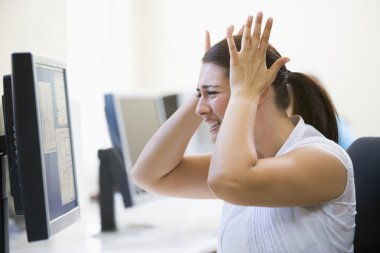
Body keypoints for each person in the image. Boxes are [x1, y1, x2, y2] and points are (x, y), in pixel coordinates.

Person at [130, 12, 355, 253]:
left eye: (213, 93)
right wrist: (204, 87)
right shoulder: (246, 162)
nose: (199, 109)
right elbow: (149, 175)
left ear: (260, 93)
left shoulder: (324, 161)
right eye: (200, 95)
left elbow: (228, 181)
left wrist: (245, 93)